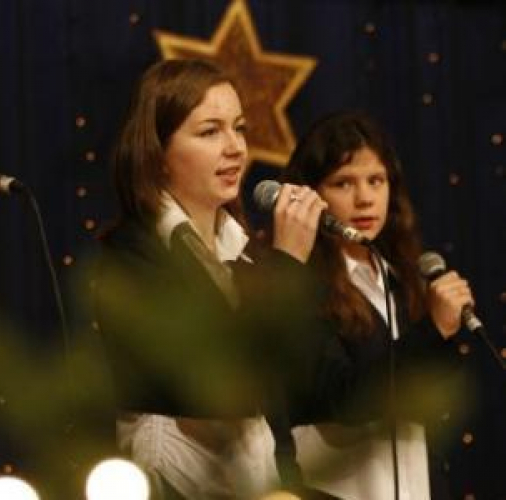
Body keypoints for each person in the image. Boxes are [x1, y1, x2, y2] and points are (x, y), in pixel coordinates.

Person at [95, 58, 331, 499]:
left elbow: (284, 397)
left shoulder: (243, 253)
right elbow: (218, 384)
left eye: (239, 128)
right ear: (157, 154)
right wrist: (288, 265)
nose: (236, 147)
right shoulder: (131, 255)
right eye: (210, 131)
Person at [279, 110, 473, 500]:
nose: (365, 198)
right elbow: (342, 397)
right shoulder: (302, 282)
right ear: (311, 195)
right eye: (343, 183)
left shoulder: (399, 277)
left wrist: (446, 334)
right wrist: (431, 330)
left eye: (376, 180)